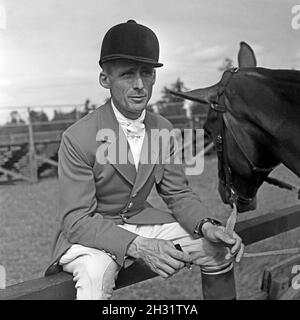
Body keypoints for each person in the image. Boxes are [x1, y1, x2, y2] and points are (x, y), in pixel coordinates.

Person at [45, 19, 244, 300]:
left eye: (147, 73)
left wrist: (207, 225)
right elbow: (76, 220)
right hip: (91, 232)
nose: (139, 85)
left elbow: (177, 193)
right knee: (96, 273)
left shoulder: (163, 128)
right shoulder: (77, 137)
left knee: (216, 249)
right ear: (105, 79)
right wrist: (138, 246)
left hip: (142, 219)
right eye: (127, 74)